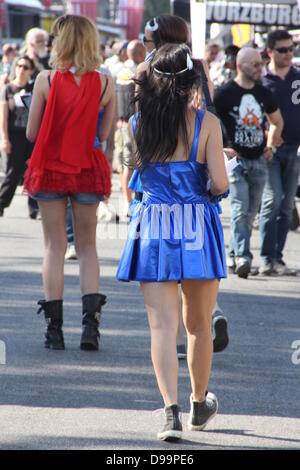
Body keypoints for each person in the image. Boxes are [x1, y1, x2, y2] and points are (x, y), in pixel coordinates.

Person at [117, 43, 229, 441]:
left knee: (161, 327)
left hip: (154, 227)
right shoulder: (207, 123)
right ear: (189, 82)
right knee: (198, 325)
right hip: (196, 226)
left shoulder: (136, 124)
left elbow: (132, 184)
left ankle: (171, 413)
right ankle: (199, 404)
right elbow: (219, 183)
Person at [23, 14, 115, 351]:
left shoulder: (46, 80)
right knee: (88, 246)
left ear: (60, 42)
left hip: (50, 167)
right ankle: (91, 328)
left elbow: (32, 133)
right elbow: (104, 135)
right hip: (87, 169)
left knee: (54, 247)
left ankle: (54, 331)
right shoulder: (105, 83)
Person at [214, 48, 283, 278]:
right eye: (255, 64)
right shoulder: (224, 93)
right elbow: (208, 122)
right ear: (240, 65)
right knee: (240, 209)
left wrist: (270, 145)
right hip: (236, 162)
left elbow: (276, 121)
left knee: (250, 213)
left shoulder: (263, 93)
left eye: (260, 64)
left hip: (259, 161)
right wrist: (222, 146)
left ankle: (234, 253)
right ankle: (243, 256)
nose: (260, 68)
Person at [260, 30, 300, 275]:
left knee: (286, 205)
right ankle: (266, 257)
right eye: (283, 49)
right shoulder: (261, 79)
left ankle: (277, 257)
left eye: (291, 48)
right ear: (270, 52)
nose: (289, 54)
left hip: (295, 148)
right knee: (271, 201)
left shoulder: (298, 78)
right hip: (270, 150)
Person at [0, 55, 38, 218]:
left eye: (26, 67)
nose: (22, 70)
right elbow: (4, 117)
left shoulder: (34, 88)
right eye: (19, 66)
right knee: (13, 172)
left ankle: (34, 206)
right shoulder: (8, 89)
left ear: (31, 71)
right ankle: (1, 203)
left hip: (31, 135)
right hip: (14, 135)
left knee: (33, 171)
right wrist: (4, 138)